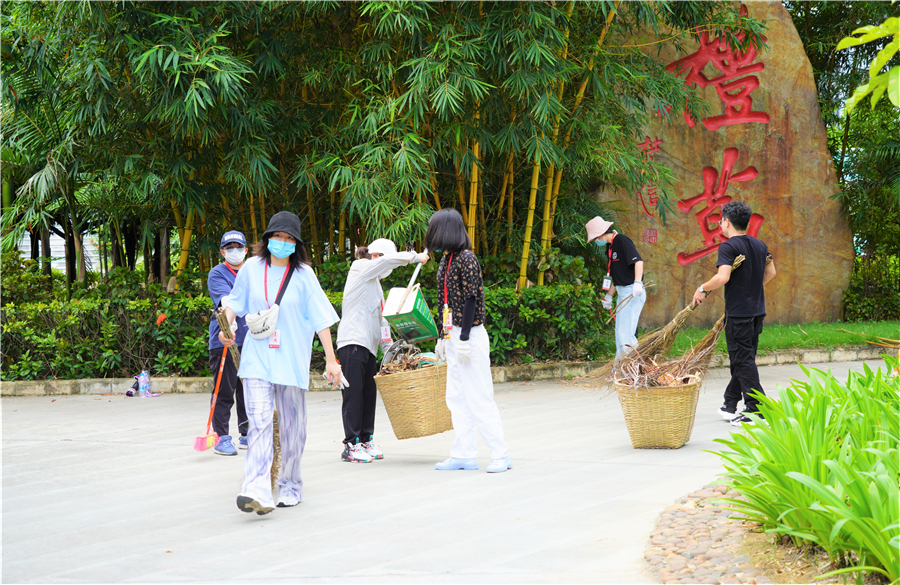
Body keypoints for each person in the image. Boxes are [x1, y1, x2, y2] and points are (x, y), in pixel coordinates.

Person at [220, 211, 342, 514]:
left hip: (290, 361)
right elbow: (234, 303)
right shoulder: (251, 268)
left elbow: (321, 319)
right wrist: (228, 327)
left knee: (292, 429)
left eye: (289, 238)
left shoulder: (304, 275)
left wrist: (331, 359)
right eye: (277, 236)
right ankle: (257, 489)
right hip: (257, 359)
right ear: (267, 238)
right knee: (259, 423)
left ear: (296, 244)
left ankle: (291, 485)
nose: (282, 242)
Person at [425, 209, 511, 473]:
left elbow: (472, 298)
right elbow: (445, 301)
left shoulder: (467, 258)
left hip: (469, 335)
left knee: (478, 396)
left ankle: (500, 454)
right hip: (453, 335)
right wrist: (443, 337)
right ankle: (463, 454)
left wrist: (462, 336)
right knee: (456, 397)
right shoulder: (446, 259)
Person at [336, 239, 429, 463]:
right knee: (353, 395)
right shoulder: (360, 268)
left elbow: (382, 322)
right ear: (375, 256)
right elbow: (387, 261)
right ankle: (351, 444)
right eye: (384, 259)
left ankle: (366, 439)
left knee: (368, 395)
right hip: (352, 342)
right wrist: (414, 257)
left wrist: (392, 353)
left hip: (369, 348)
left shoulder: (376, 285)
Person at [691, 201, 776, 426]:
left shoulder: (728, 247)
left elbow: (723, 277)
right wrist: (753, 288)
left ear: (726, 222)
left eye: (721, 221)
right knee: (744, 359)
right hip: (757, 311)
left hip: (740, 314)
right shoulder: (760, 245)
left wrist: (702, 288)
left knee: (742, 360)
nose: (720, 224)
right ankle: (730, 403)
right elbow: (771, 272)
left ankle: (756, 410)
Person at [207, 230, 250, 456]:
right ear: (223, 252)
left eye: (238, 247)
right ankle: (221, 437)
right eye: (230, 247)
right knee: (225, 390)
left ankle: (247, 433)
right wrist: (229, 321)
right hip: (225, 338)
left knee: (248, 389)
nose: (235, 251)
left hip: (251, 339)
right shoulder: (217, 273)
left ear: (246, 250)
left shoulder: (252, 271)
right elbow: (225, 300)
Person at [586, 217, 646, 358]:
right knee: (620, 333)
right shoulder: (609, 247)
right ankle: (620, 368)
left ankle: (632, 366)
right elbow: (616, 276)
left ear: (600, 234)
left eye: (595, 238)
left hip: (632, 291)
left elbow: (638, 262)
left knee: (626, 334)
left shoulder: (622, 240)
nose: (596, 241)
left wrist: (637, 283)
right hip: (622, 292)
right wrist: (609, 295)